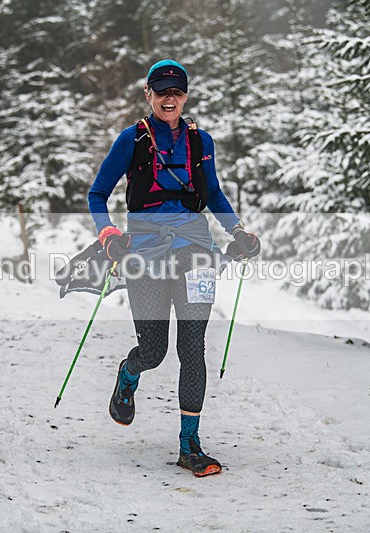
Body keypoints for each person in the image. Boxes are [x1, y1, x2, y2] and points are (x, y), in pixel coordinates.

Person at [87, 59, 261, 477]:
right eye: (161, 90)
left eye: (176, 91)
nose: (169, 97)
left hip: (196, 249)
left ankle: (189, 445)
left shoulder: (202, 143)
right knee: (154, 351)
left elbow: (214, 193)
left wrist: (237, 230)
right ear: (148, 94)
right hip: (144, 250)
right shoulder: (131, 140)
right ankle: (129, 375)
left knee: (191, 348)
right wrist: (108, 233)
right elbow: (97, 195)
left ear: (185, 96)